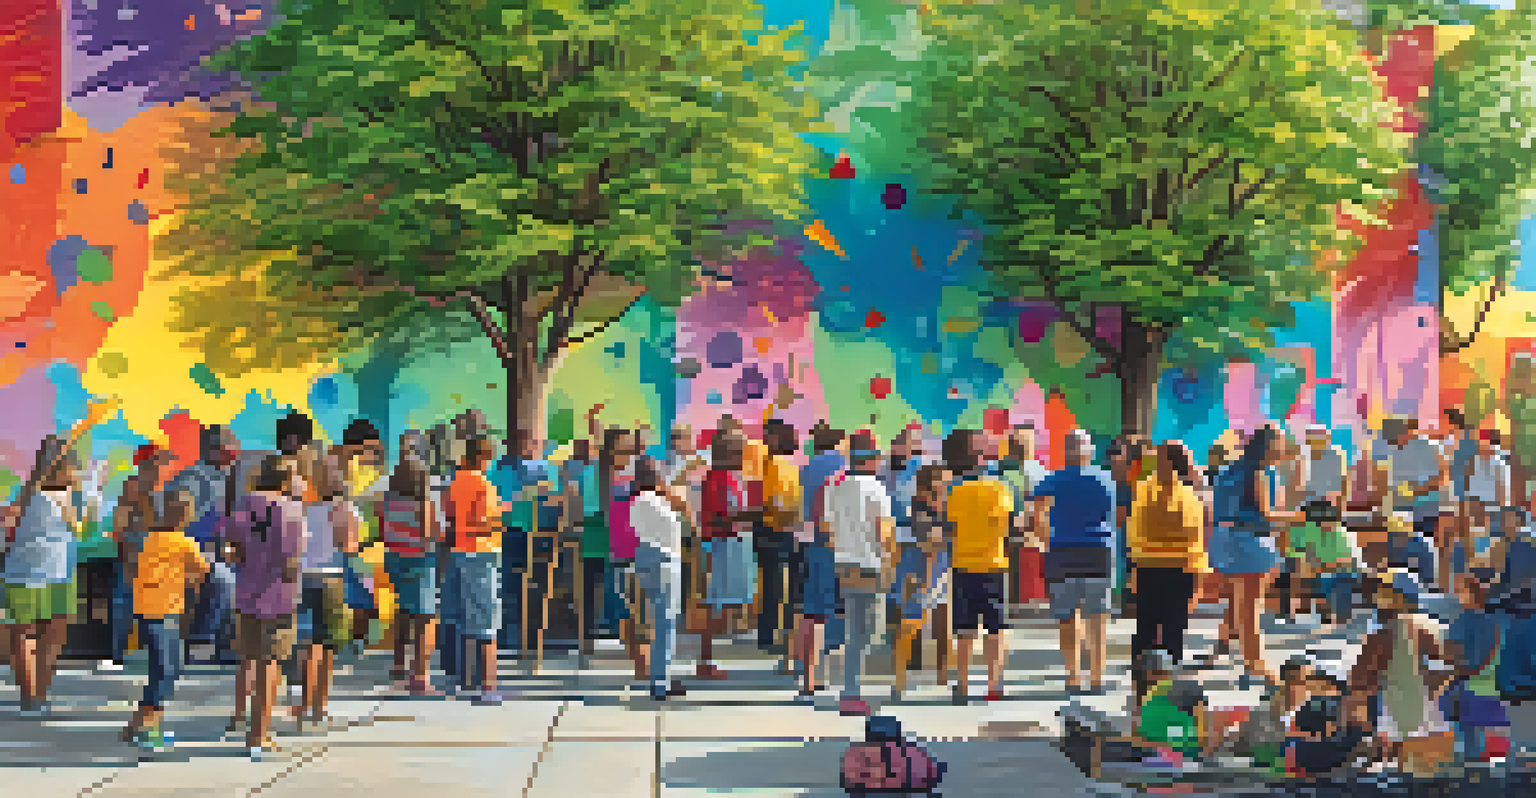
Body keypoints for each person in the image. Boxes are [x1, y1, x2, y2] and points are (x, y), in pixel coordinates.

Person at [223, 455, 307, 759]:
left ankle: (239, 716)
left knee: (248, 659)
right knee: (270, 664)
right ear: (286, 478)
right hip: (278, 596)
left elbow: (230, 548)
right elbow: (292, 558)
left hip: (246, 592)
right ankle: (259, 735)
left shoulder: (244, 504)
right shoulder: (292, 510)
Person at [120, 490, 208, 749]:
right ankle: (147, 727)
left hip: (153, 610)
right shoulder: (184, 543)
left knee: (166, 667)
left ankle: (138, 725)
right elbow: (202, 572)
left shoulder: (147, 538)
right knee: (167, 669)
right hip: (162, 611)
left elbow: (131, 569)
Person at [1346, 569, 1456, 775]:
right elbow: (1448, 669)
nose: (1377, 596)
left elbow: (1359, 680)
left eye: (1384, 591)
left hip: (1400, 722)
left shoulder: (1384, 633)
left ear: (1399, 597)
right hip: (1437, 721)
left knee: (1406, 777)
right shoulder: (1437, 627)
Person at [1033, 430, 1117, 696]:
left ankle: (1073, 678)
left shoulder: (1051, 480)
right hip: (1098, 550)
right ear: (1089, 451)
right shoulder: (1106, 479)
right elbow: (1115, 515)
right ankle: (1097, 678)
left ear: (1065, 451)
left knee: (1067, 617)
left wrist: (1048, 541)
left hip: (1062, 551)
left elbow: (1037, 516)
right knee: (1097, 617)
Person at [1208, 425, 1293, 687]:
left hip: (1224, 540)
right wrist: (1302, 517)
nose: (1284, 447)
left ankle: (1230, 650)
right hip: (1250, 541)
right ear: (1269, 445)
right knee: (1251, 607)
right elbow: (1268, 513)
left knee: (1238, 600)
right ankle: (1255, 665)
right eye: (1280, 442)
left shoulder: (1230, 470)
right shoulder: (1261, 471)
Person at [4, 436, 83, 716]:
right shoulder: (43, 492)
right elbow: (78, 528)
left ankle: (34, 697)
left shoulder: (30, 490)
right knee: (42, 635)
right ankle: (35, 696)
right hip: (45, 572)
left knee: (34, 635)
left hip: (38, 572)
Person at [825, 431, 895, 716]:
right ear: (871, 458)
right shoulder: (876, 489)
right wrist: (889, 563)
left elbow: (828, 529)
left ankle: (850, 688)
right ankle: (851, 692)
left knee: (854, 628)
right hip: (869, 564)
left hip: (843, 563)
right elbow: (884, 533)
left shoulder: (835, 488)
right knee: (863, 632)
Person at [1128, 442, 1208, 688]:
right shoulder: (1187, 494)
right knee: (1169, 628)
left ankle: (1145, 685)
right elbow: (1195, 539)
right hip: (1173, 570)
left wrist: (1133, 568)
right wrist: (1198, 576)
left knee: (1150, 629)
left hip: (1155, 568)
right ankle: (1162, 684)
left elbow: (1134, 532)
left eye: (1159, 457)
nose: (1155, 461)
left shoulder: (1145, 490)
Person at [945, 428, 1015, 704]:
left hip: (963, 564)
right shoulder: (1001, 488)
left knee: (964, 628)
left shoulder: (953, 490)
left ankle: (962, 685)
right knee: (996, 628)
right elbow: (1009, 526)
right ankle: (994, 684)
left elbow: (950, 527)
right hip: (993, 564)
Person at [167, 424, 243, 666]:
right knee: (224, 580)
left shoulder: (230, 479)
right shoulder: (191, 479)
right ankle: (202, 641)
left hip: (221, 550)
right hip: (192, 550)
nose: (233, 456)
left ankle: (229, 645)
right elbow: (179, 521)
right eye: (228, 450)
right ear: (212, 450)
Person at [106, 445, 178, 672]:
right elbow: (120, 523)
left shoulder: (167, 488)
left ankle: (151, 655)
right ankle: (119, 655)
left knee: (146, 608)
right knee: (126, 604)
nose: (164, 465)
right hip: (136, 553)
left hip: (155, 556)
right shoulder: (135, 486)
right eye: (160, 460)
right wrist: (127, 554)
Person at [446, 436, 506, 705]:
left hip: (460, 551)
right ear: (483, 456)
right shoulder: (482, 484)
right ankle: (488, 685)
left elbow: (451, 518)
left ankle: (466, 679)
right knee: (487, 620)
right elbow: (479, 521)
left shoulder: (456, 481)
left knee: (466, 617)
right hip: (482, 552)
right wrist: (501, 518)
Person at [697, 428, 758, 680]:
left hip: (731, 542)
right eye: (739, 451)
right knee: (715, 603)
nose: (743, 456)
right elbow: (719, 516)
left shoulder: (730, 476)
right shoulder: (718, 478)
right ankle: (705, 661)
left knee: (721, 603)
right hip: (722, 544)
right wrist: (756, 513)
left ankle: (707, 659)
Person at [629, 455, 689, 700]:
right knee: (666, 621)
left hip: (645, 556)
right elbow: (677, 524)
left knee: (655, 621)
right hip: (665, 559)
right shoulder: (656, 501)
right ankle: (661, 681)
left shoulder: (637, 502)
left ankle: (659, 677)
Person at [381, 455, 441, 695]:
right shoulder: (423, 503)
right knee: (425, 618)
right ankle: (420, 676)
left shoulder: (387, 502)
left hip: (394, 558)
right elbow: (430, 533)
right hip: (419, 560)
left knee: (403, 612)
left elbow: (383, 531)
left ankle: (398, 664)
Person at [892, 463, 953, 700]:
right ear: (922, 491)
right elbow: (929, 546)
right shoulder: (917, 513)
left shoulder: (944, 511)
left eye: (945, 489)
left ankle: (942, 676)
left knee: (942, 627)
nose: (942, 495)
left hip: (940, 573)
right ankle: (900, 679)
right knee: (909, 626)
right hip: (918, 576)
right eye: (937, 490)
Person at [798, 423, 847, 697]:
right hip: (839, 544)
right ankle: (836, 672)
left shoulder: (807, 469)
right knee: (843, 609)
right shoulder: (842, 467)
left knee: (813, 610)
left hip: (814, 543)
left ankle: (809, 675)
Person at [1439, 572, 1507, 765]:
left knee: (1467, 745)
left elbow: (1451, 655)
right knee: (1491, 745)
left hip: (1465, 686)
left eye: (1458, 590)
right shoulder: (1494, 622)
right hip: (1490, 685)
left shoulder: (1461, 621)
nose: (1455, 595)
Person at [759, 420, 803, 669]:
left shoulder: (780, 464)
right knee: (777, 587)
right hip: (777, 531)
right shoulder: (776, 464)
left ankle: (774, 635)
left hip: (781, 530)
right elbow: (772, 501)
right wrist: (791, 517)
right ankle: (772, 636)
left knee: (776, 587)